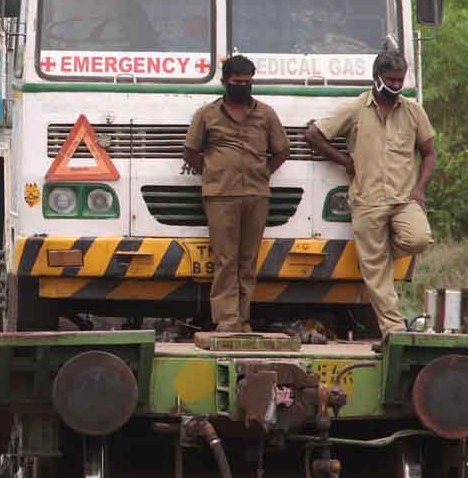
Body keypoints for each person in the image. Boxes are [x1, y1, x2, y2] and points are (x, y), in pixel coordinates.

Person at [305, 51, 436, 336]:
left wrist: (419, 190)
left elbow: (429, 153)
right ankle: (394, 329)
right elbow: (314, 134)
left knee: (419, 238)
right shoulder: (355, 109)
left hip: (404, 199)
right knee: (377, 274)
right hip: (367, 201)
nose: (396, 85)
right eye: (391, 80)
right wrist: (345, 162)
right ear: (376, 78)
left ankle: (379, 252)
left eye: (400, 80)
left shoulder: (414, 111)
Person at [184, 55, 290, 332]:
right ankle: (226, 320)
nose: (243, 86)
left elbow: (282, 150)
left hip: (256, 194)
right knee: (225, 259)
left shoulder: (265, 113)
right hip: (220, 195)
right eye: (237, 82)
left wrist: (264, 172)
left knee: (248, 260)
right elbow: (190, 151)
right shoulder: (207, 114)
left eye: (248, 81)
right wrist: (212, 172)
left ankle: (243, 320)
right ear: (225, 82)